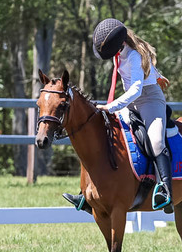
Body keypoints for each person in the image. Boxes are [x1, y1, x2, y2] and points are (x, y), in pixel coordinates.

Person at [63, 18, 173, 213]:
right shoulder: (121, 52)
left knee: (156, 140)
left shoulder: (133, 55)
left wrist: (112, 106)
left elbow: (137, 88)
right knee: (103, 133)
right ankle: (86, 193)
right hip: (130, 101)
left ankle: (165, 190)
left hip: (149, 99)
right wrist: (157, 75)